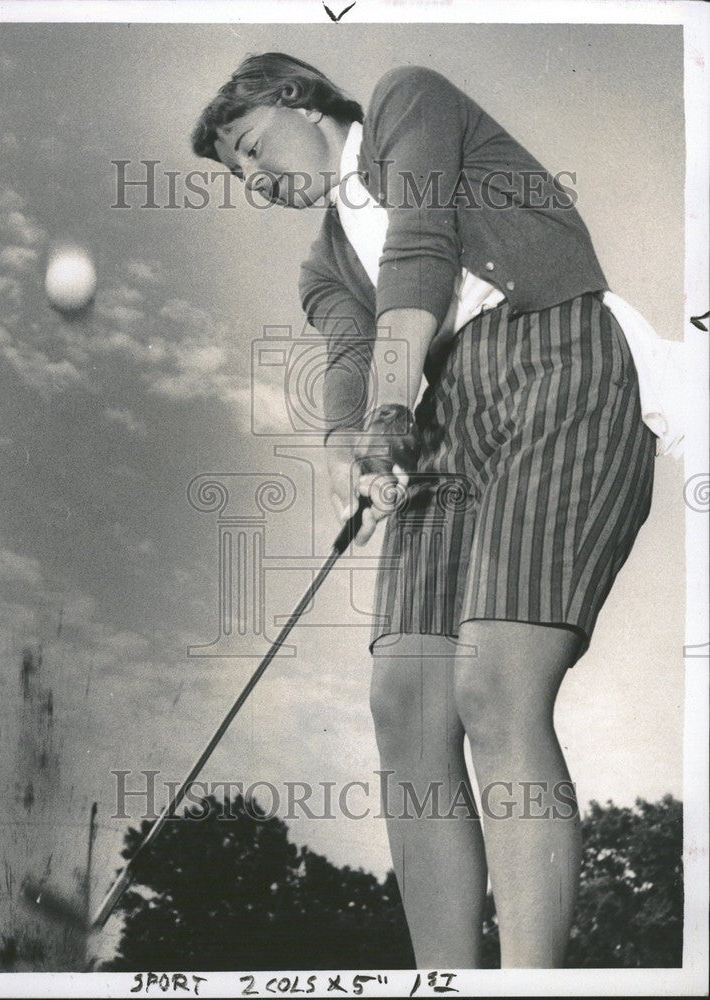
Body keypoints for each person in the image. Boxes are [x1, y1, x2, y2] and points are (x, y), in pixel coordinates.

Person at [192, 53, 656, 969]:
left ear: (298, 99)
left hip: (555, 362)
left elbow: (419, 252)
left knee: (493, 686)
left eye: (250, 149)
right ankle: (443, 982)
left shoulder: (409, 101)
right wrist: (347, 452)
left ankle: (530, 983)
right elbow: (349, 358)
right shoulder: (321, 262)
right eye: (237, 175)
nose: (255, 181)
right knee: (403, 705)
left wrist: (390, 417)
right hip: (441, 425)